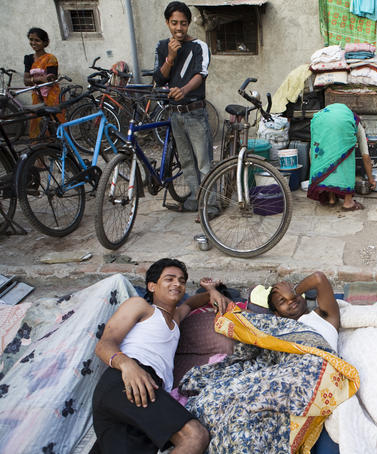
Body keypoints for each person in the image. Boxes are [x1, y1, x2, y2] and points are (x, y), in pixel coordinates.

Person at [92, 258, 231, 453]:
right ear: (152, 286)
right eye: (170, 279)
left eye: (182, 281)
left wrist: (212, 290)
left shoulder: (176, 318)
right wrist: (127, 365)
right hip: (126, 379)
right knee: (195, 436)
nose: (177, 284)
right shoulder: (141, 306)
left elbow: (192, 302)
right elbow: (104, 344)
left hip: (147, 391)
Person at [153, 1, 212, 213]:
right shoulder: (162, 47)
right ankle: (196, 200)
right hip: (174, 114)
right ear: (167, 23)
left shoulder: (199, 46)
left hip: (194, 111)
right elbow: (159, 79)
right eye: (174, 23)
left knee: (204, 162)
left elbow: (201, 74)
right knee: (187, 162)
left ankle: (211, 205)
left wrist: (184, 90)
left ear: (188, 24)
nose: (179, 28)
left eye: (183, 23)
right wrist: (170, 57)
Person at [307, 103, 376, 211]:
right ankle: (348, 202)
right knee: (347, 157)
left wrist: (316, 172)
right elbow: (365, 155)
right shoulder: (356, 124)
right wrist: (371, 179)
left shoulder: (329, 119)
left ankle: (331, 199)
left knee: (326, 156)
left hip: (319, 120)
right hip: (327, 119)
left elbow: (312, 150)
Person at [267, 271, 340, 349]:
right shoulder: (278, 330)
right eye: (282, 300)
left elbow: (318, 278)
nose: (290, 300)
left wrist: (294, 292)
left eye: (291, 295)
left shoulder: (324, 315)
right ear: (276, 313)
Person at [23, 27, 64, 138]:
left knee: (53, 121)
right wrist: (39, 79)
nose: (33, 43)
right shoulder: (28, 59)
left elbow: (51, 80)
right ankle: (39, 149)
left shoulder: (51, 59)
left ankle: (56, 147)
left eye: (37, 40)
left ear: (45, 43)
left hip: (51, 95)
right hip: (37, 95)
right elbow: (26, 81)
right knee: (37, 122)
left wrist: (47, 78)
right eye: (31, 40)